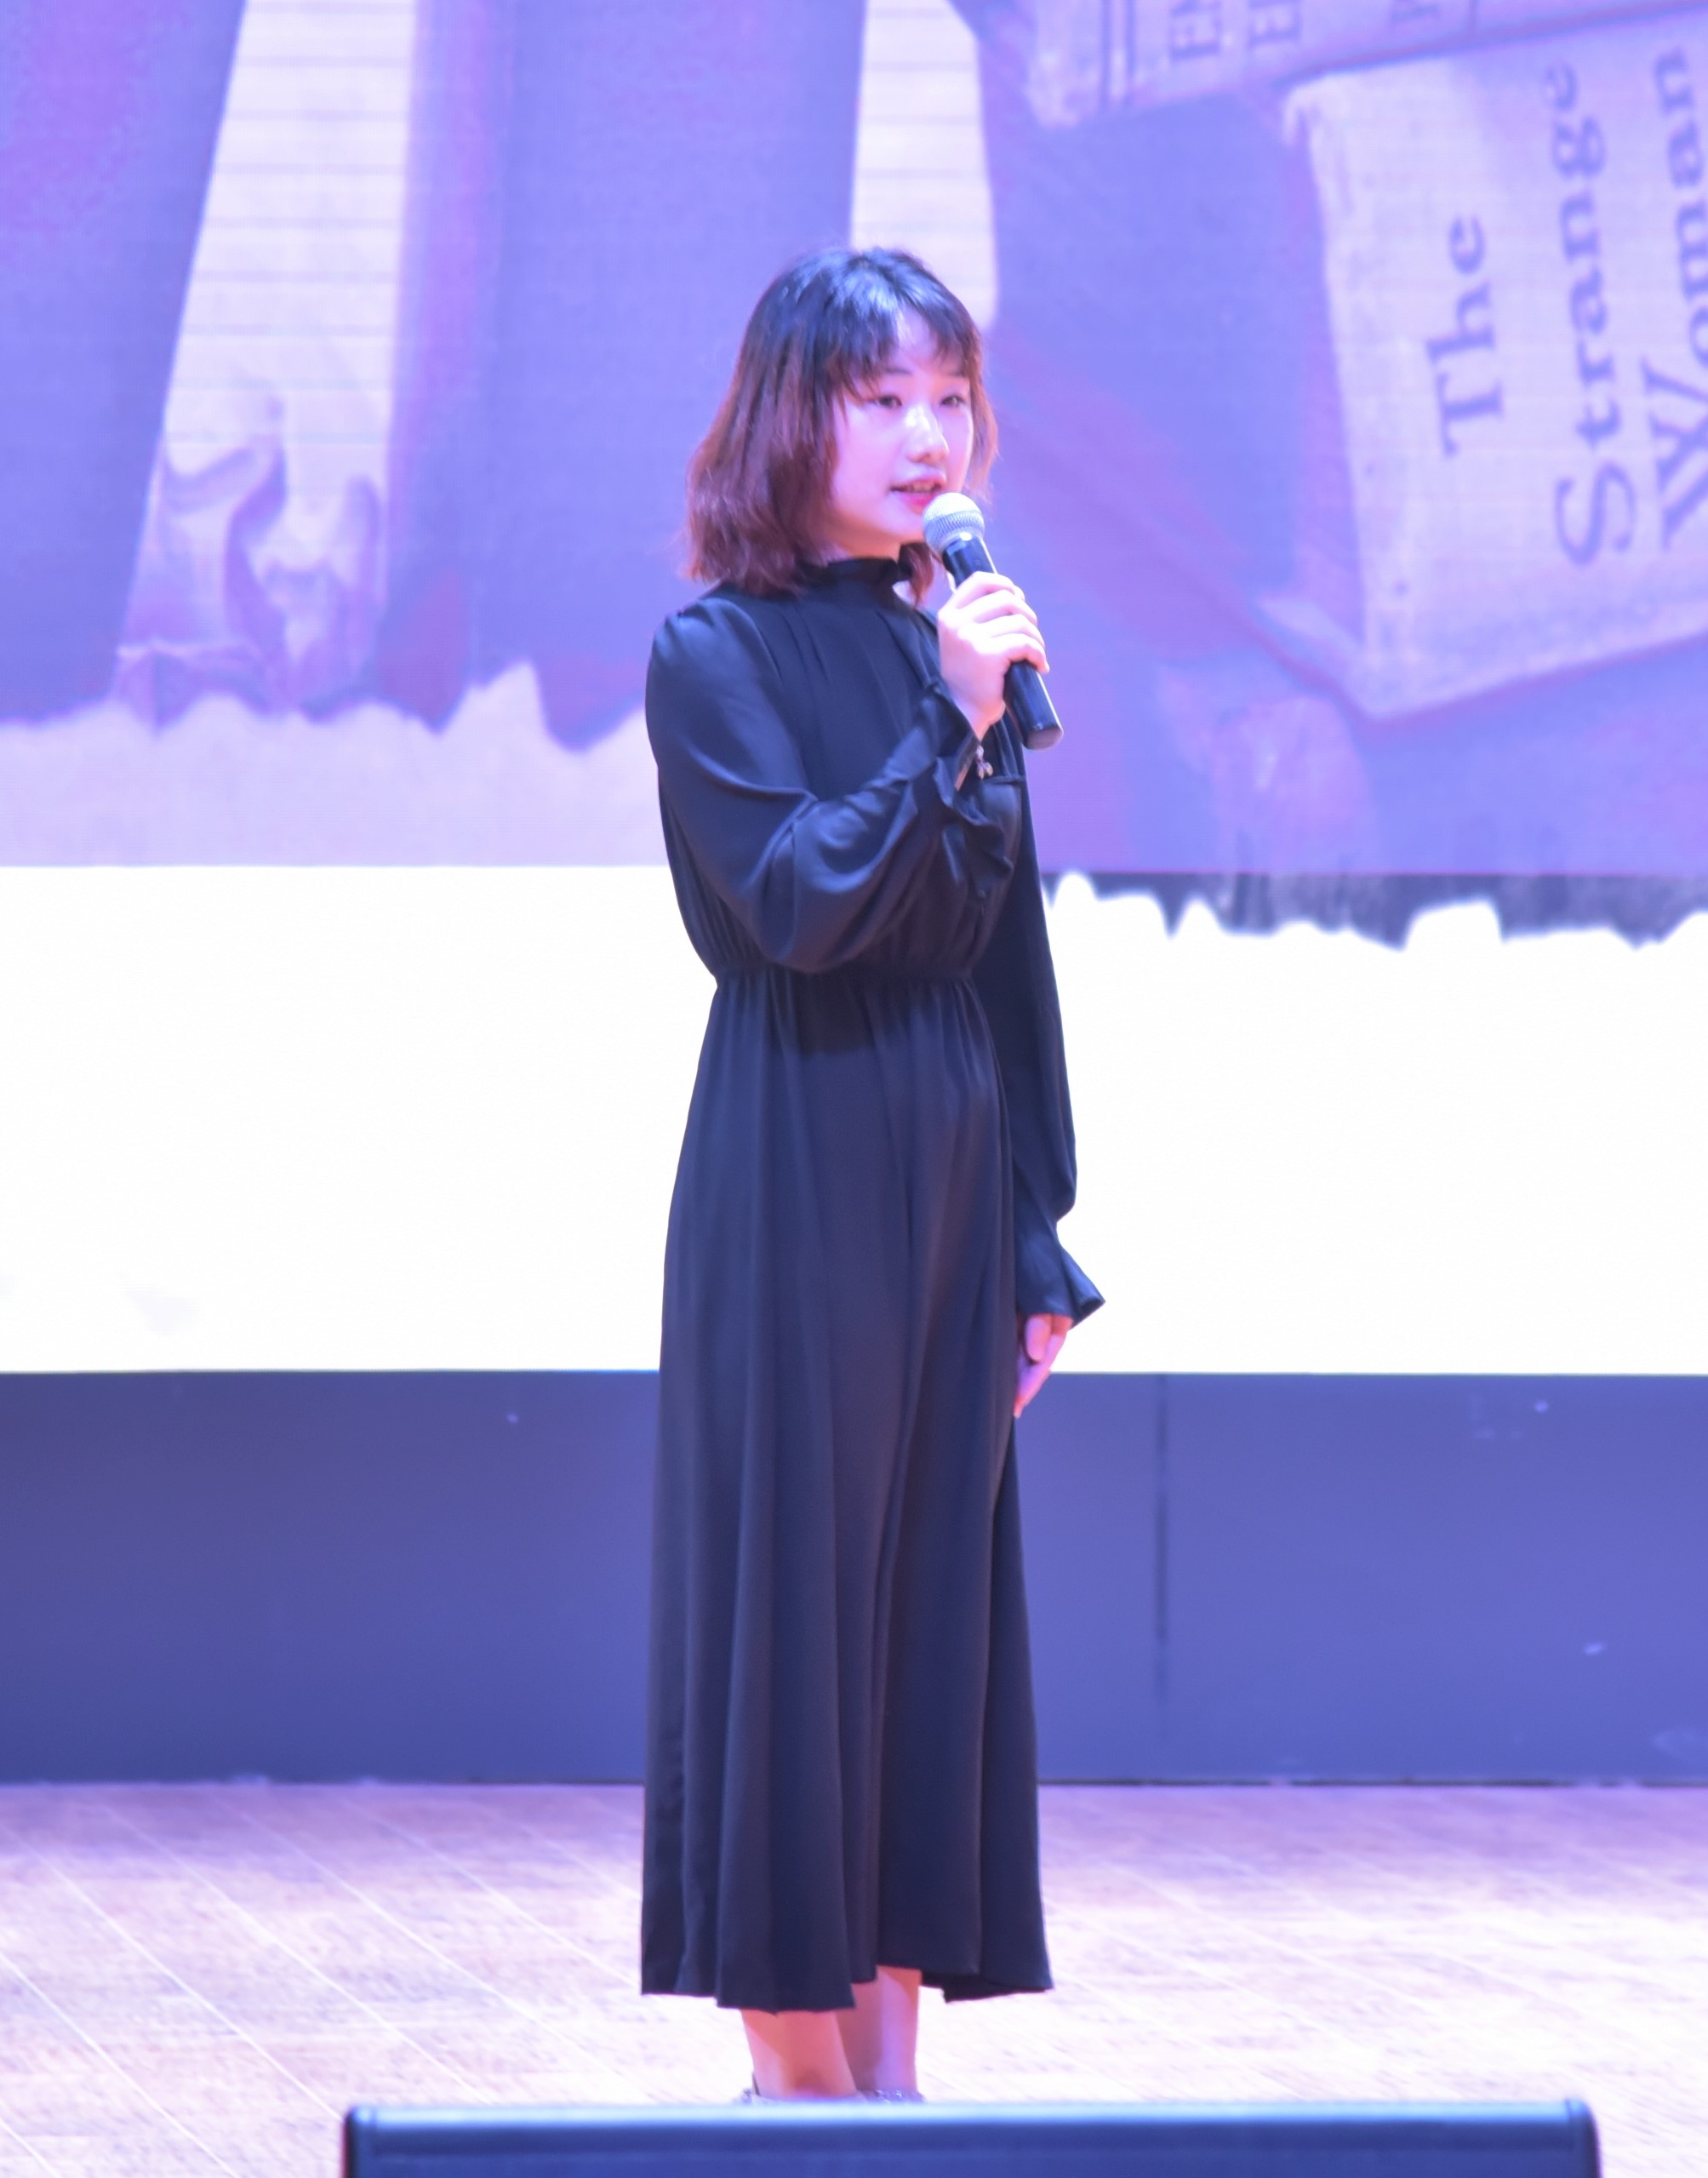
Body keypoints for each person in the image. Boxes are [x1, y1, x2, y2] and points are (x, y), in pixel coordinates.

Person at [639, 246, 1094, 2102]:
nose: (928, 436)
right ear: (791, 415)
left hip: (952, 1154)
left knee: (924, 1609)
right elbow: (802, 904)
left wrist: (1036, 1236)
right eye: (883, 397)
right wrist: (950, 720)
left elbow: (1008, 966)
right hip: (802, 1143)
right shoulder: (715, 657)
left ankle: (890, 2085)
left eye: (949, 397)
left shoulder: (950, 647)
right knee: (796, 1600)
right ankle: (790, 2067)